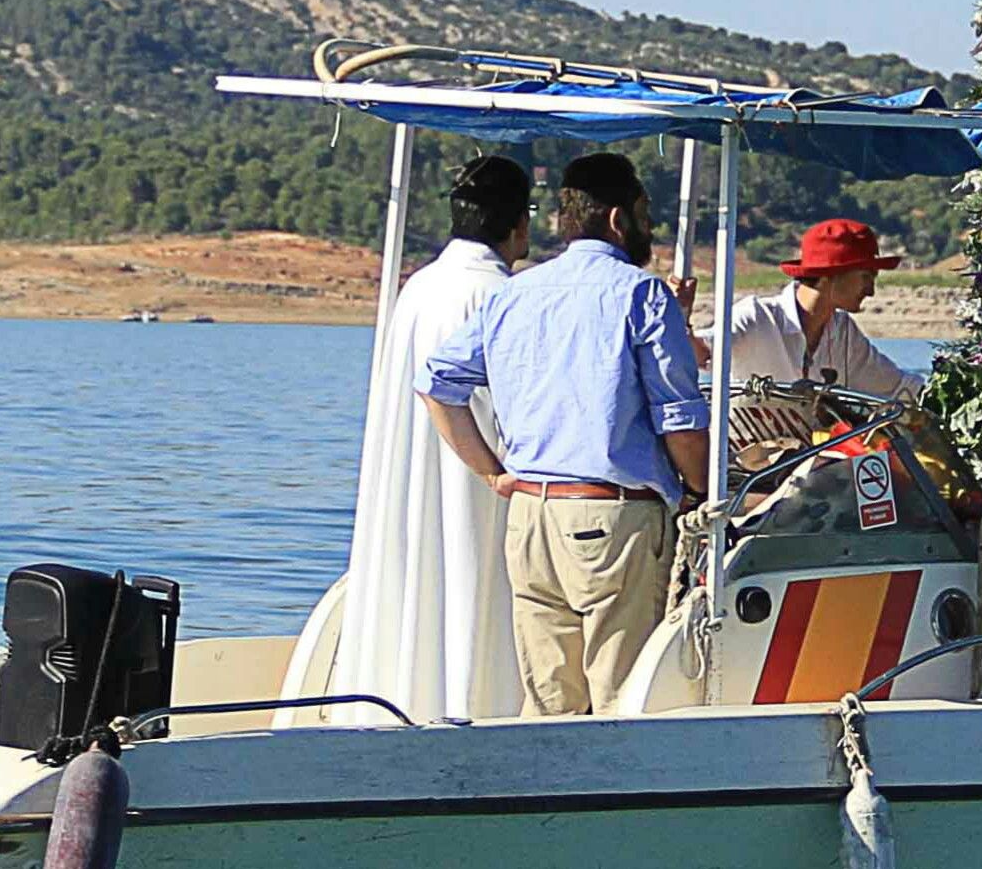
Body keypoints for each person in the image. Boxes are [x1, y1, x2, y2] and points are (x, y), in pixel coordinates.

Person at [420, 153, 711, 717]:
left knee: (549, 702)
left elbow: (437, 384)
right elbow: (679, 418)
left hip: (530, 515)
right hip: (612, 518)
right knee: (620, 696)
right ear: (618, 220)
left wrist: (493, 474)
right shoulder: (640, 294)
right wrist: (701, 494)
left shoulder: (514, 293)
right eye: (644, 214)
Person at [296, 156, 532, 725]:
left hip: (408, 473)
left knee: (415, 579)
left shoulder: (419, 287)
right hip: (479, 475)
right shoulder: (497, 294)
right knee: (472, 587)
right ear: (519, 222)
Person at [724, 217, 922, 405]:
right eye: (866, 277)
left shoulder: (843, 332)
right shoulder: (756, 316)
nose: (871, 291)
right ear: (830, 275)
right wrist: (691, 326)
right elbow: (703, 350)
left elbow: (900, 389)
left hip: (816, 442)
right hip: (743, 441)